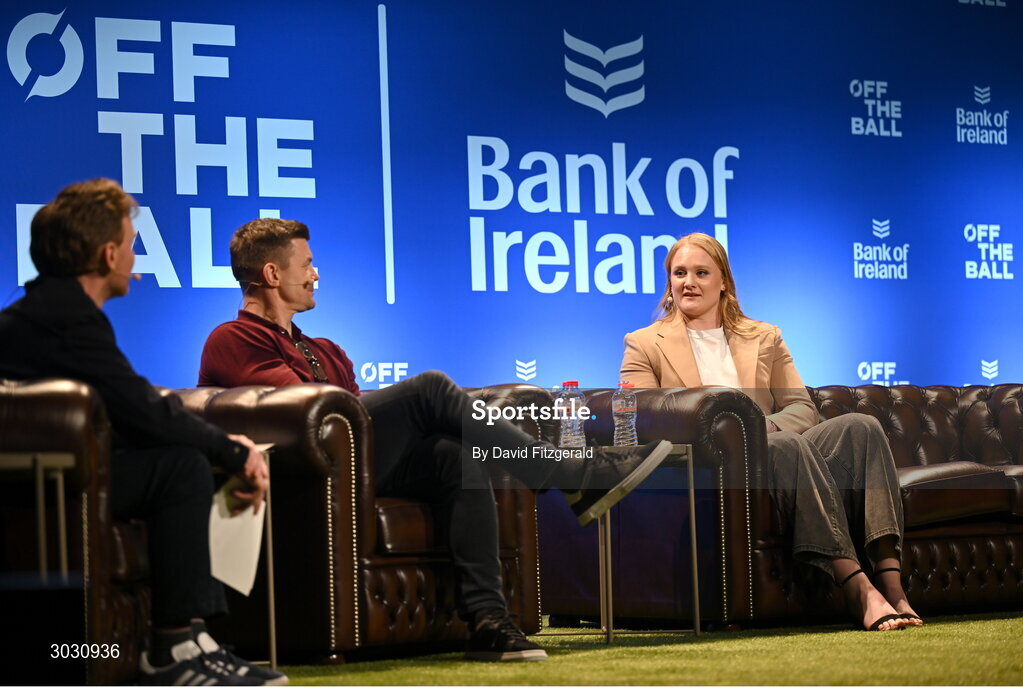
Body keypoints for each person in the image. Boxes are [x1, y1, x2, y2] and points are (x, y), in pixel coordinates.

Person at [198, 218, 674, 661]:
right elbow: (300, 412)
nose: (316, 274)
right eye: (306, 265)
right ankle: (567, 473)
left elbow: (350, 413)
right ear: (271, 273)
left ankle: (489, 622)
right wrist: (406, 406)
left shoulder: (325, 349)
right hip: (303, 476)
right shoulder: (233, 338)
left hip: (354, 465)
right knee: (429, 389)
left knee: (457, 457)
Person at [0, 179, 287, 685]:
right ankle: (175, 647)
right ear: (108, 255)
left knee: (181, 459)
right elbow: (141, 407)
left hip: (58, 478)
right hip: (47, 488)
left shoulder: (45, 312)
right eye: (133, 245)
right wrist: (233, 452)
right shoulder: (66, 319)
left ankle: (194, 638)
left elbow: (125, 407)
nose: (136, 257)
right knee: (179, 468)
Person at [620, 232, 923, 632]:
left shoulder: (763, 336)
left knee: (861, 427)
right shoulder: (644, 344)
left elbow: (801, 407)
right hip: (719, 467)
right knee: (785, 445)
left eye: (700, 272)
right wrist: (744, 435)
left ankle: (893, 587)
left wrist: (764, 425)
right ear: (669, 282)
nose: (688, 282)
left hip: (778, 448)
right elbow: (644, 417)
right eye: (679, 273)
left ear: (723, 281)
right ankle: (857, 587)